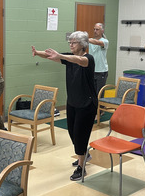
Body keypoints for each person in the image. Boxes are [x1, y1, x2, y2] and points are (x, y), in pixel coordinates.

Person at [32, 31, 97, 181]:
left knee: (80, 134)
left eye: (74, 42)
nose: (71, 44)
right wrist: (38, 53)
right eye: (70, 42)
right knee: (72, 132)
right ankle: (84, 154)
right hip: (73, 102)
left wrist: (60, 56)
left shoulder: (88, 59)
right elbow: (51, 55)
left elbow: (78, 60)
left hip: (87, 104)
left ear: (83, 44)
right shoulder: (69, 58)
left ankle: (81, 166)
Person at [88, 23, 109, 98]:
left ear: (102, 31)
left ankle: (100, 109)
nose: (95, 31)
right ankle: (93, 109)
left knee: (99, 94)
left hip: (101, 72)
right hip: (92, 71)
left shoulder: (105, 41)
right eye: (94, 29)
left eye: (97, 29)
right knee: (91, 93)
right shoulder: (90, 41)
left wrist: (86, 39)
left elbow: (98, 43)